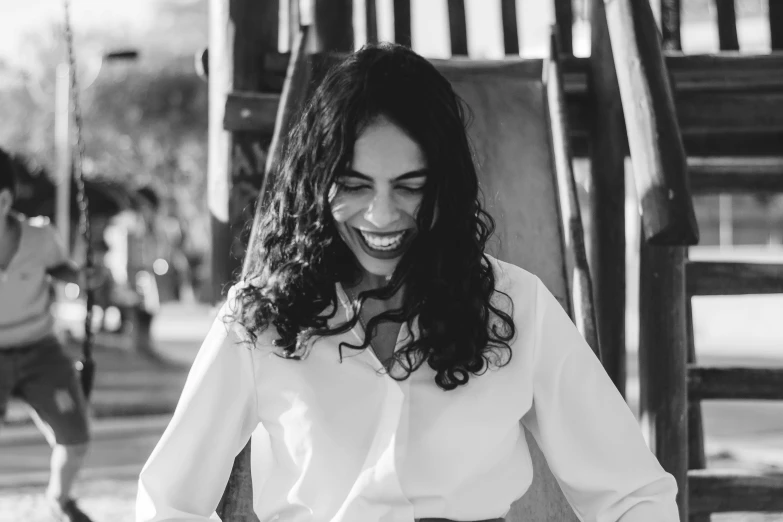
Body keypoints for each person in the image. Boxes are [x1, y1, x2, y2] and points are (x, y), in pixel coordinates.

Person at [136, 43, 679, 522]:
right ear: (316, 184)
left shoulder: (517, 308)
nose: (380, 215)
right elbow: (166, 502)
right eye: (353, 185)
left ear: (444, 186)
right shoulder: (259, 319)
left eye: (409, 187)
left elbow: (633, 495)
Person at [0, 148, 96, 522]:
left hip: (40, 349)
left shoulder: (39, 237)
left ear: (4, 200)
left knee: (75, 436)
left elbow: (61, 270)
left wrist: (81, 279)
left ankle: (60, 500)